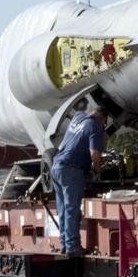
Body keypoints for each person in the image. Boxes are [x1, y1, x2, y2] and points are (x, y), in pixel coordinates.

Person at [51, 98, 106, 258]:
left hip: (56, 166)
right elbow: (94, 154)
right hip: (71, 170)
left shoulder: (79, 117)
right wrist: (98, 170)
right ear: (103, 119)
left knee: (63, 209)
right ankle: (72, 246)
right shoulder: (95, 127)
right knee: (72, 209)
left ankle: (64, 243)